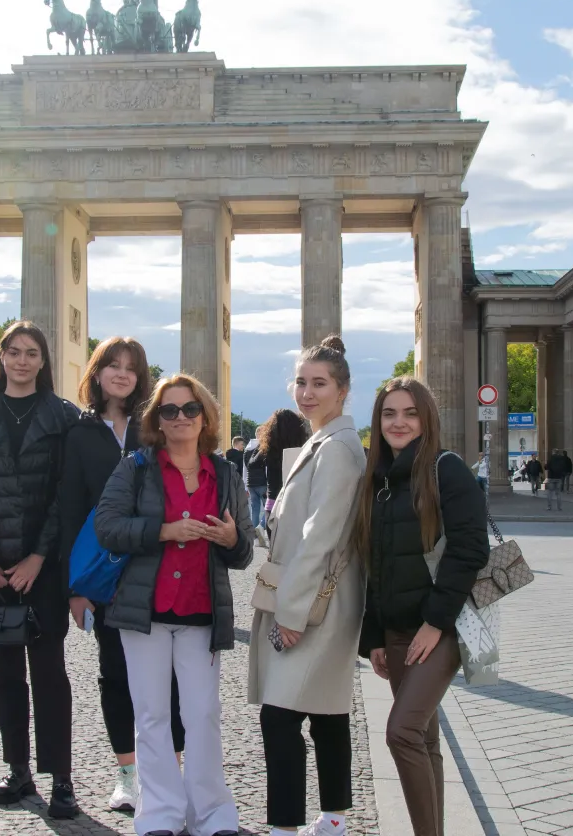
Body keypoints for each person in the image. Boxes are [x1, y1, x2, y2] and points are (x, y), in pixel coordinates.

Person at [94, 373, 253, 836]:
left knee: (203, 714)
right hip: (145, 612)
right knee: (151, 715)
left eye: (189, 409)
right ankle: (159, 813)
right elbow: (107, 526)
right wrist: (162, 531)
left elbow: (243, 552)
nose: (180, 417)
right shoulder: (135, 468)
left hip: (202, 612)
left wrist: (230, 539)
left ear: (205, 417)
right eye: (169, 410)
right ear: (157, 420)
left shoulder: (224, 474)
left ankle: (211, 813)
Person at [0, 320, 82, 819]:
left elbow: (64, 497)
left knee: (50, 674)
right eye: (14, 352)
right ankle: (19, 770)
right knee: (4, 674)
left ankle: (61, 777)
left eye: (32, 353)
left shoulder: (63, 417)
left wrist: (38, 557)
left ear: (44, 361)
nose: (23, 360)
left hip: (41, 568)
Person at [57, 336, 186, 814]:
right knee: (115, 675)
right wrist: (76, 587)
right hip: (103, 574)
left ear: (140, 377)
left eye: (131, 367)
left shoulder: (156, 427)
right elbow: (69, 509)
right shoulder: (79, 433)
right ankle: (128, 775)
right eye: (112, 364)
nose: (121, 374)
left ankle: (169, 771)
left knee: (168, 675)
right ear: (97, 371)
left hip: (157, 565)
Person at [356, 377, 489, 836]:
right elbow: (374, 562)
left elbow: (470, 550)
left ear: (426, 417)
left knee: (402, 734)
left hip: (440, 629)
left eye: (410, 413)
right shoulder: (376, 480)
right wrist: (373, 638)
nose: (399, 422)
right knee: (425, 739)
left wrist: (436, 622)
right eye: (389, 413)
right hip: (394, 631)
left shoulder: (446, 469)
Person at [250, 336, 366, 836]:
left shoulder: (336, 447)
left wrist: (291, 614)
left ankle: (285, 826)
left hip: (313, 603)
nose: (307, 392)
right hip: (322, 597)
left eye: (320, 383)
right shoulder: (324, 441)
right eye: (301, 382)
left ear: (343, 390)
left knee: (281, 718)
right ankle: (334, 817)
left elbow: (322, 535)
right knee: (325, 710)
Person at [257, 409, 310, 540]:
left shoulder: (269, 449)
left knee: (275, 554)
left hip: (272, 502)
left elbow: (253, 462)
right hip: (295, 503)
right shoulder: (303, 449)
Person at [244, 435, 269, 540]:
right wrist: (269, 483)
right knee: (269, 508)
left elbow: (244, 468)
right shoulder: (263, 448)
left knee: (255, 508)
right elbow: (267, 467)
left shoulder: (246, 450)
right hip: (262, 482)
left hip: (250, 484)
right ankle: (261, 527)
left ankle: (255, 532)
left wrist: (245, 485)